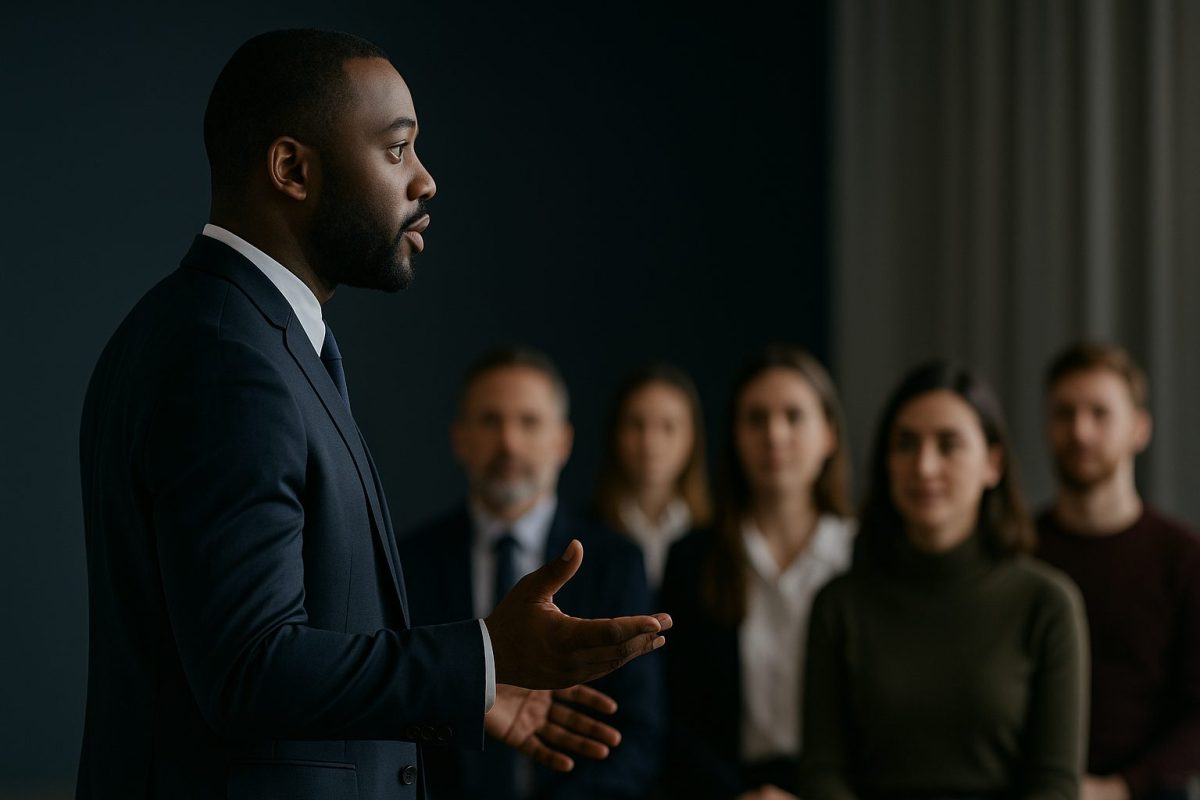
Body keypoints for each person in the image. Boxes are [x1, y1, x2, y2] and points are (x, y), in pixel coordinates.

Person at [76, 30, 669, 800]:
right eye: (398, 149)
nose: (425, 180)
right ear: (293, 168)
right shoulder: (226, 357)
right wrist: (486, 655)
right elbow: (249, 668)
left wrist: (460, 692)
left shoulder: (229, 331)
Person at [798, 361, 1088, 800]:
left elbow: (1054, 784)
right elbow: (823, 772)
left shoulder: (1046, 603)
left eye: (948, 445)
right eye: (906, 445)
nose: (925, 467)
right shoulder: (840, 604)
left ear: (993, 464)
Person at [398, 347, 663, 800]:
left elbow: (640, 735)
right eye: (490, 421)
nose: (509, 443)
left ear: (563, 441)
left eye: (529, 422)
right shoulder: (409, 560)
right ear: (459, 439)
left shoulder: (616, 561)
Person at [660, 345, 855, 800]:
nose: (775, 434)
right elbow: (672, 709)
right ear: (734, 435)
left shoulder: (864, 556)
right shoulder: (691, 557)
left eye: (794, 416)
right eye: (756, 418)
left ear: (828, 434)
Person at [1035, 342, 1200, 800]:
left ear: (1139, 429)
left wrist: (1119, 789)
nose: (1080, 431)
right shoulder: (1018, 553)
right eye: (1064, 413)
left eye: (1099, 413)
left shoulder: (1183, 557)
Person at [594, 364, 713, 592]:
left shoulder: (717, 537)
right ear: (616, 434)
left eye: (668, 427)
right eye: (636, 425)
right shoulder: (583, 535)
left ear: (692, 439)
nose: (650, 442)